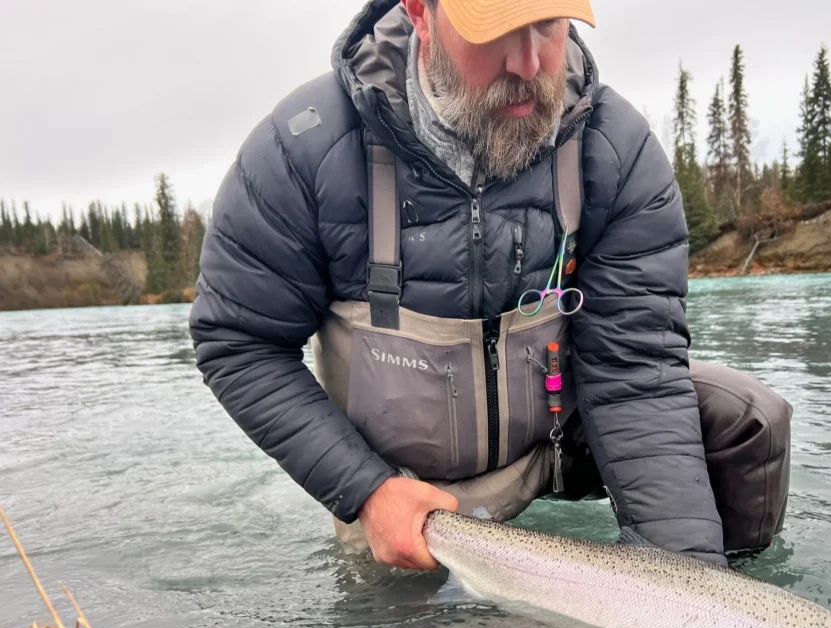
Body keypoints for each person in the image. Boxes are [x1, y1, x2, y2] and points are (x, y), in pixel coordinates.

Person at [188, 0, 793, 573]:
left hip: (557, 448)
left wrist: (685, 588)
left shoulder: (615, 150)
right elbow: (239, 342)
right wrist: (365, 489)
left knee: (748, 423)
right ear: (422, 12)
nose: (528, 64)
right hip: (405, 488)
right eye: (496, 29)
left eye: (547, 24)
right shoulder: (302, 149)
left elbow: (636, 374)